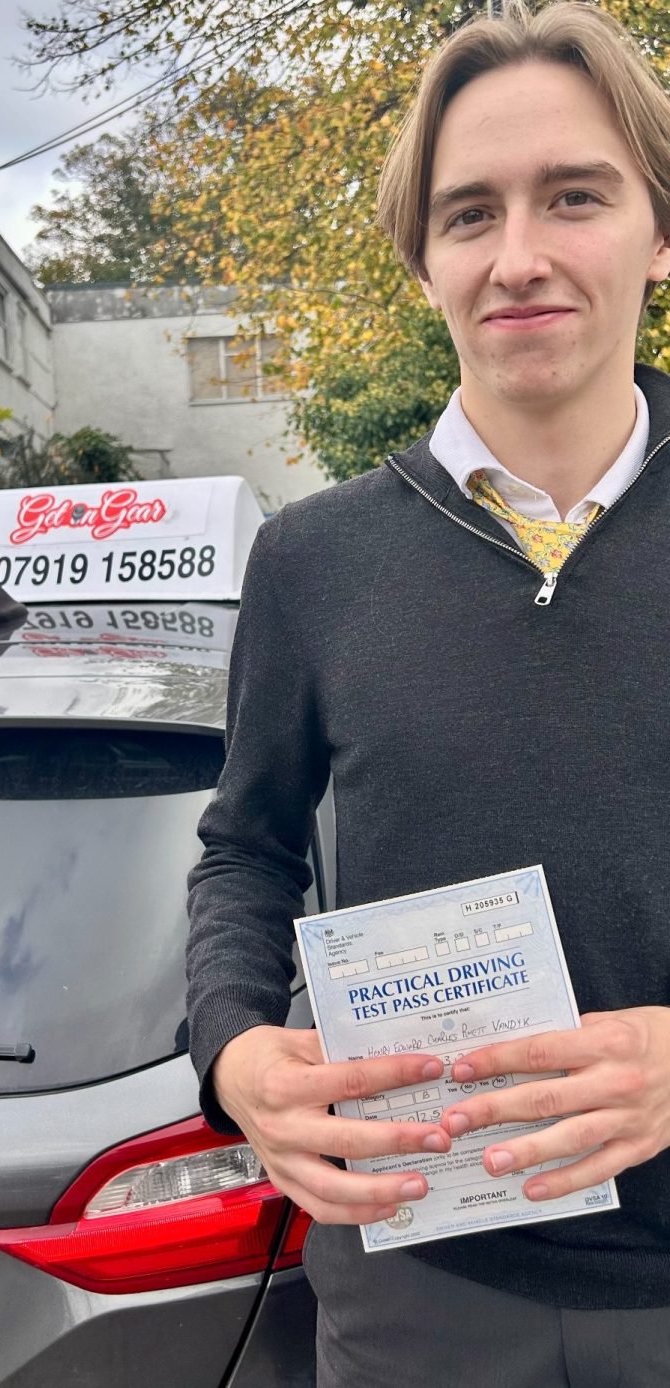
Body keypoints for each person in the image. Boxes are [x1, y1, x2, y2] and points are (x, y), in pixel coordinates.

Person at [186, 1, 670, 1382]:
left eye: (574, 196)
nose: (519, 256)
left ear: (661, 231)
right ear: (425, 262)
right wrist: (231, 1053)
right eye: (469, 215)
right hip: (420, 1289)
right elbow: (243, 852)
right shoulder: (312, 560)